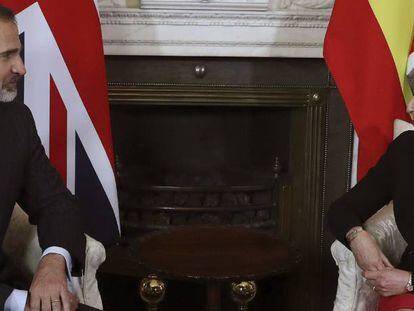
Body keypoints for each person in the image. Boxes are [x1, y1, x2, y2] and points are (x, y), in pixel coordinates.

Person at [0, 5, 85, 311]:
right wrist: (16, 301)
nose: (21, 68)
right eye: (7, 56)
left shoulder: (16, 122)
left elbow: (56, 202)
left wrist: (53, 260)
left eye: (18, 53)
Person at [328, 98, 414, 311]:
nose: (410, 107)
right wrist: (357, 236)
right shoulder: (406, 149)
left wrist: (409, 281)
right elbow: (342, 208)